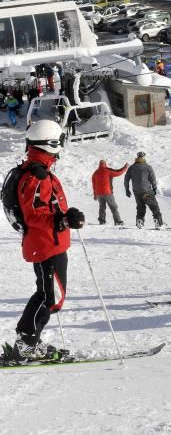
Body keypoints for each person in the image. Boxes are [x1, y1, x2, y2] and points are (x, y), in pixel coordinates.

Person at [12, 120, 85, 361]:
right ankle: (27, 343)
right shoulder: (36, 176)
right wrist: (62, 221)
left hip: (50, 242)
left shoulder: (40, 170)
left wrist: (66, 218)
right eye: (60, 141)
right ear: (51, 143)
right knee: (48, 296)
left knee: (50, 295)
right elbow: (34, 215)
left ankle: (28, 340)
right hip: (45, 244)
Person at [124, 152, 164, 229]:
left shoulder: (132, 167)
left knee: (140, 207)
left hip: (137, 192)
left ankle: (140, 221)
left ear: (137, 157)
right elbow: (153, 179)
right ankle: (159, 223)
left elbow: (126, 179)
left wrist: (127, 189)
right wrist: (155, 188)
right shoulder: (148, 167)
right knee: (154, 206)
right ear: (144, 157)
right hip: (147, 191)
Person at [91, 159, 128, 226]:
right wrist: (125, 168)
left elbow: (94, 185)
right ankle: (117, 221)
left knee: (102, 207)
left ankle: (102, 221)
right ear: (105, 164)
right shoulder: (107, 170)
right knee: (113, 207)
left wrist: (95, 194)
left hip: (99, 194)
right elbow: (118, 173)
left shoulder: (95, 173)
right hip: (107, 193)